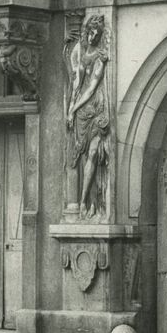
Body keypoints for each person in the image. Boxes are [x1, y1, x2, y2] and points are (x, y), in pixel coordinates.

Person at [66, 14, 110, 218]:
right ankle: (84, 203)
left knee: (93, 154)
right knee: (80, 156)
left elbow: (91, 88)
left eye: (96, 33)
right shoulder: (79, 50)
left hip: (94, 108)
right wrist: (70, 110)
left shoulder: (100, 57)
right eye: (90, 32)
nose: (92, 36)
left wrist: (73, 108)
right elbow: (76, 82)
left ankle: (85, 201)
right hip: (79, 112)